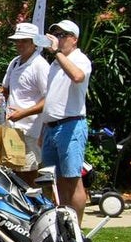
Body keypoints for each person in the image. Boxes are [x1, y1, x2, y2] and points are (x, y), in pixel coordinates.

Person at [39, 19, 93, 224]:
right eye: (56, 35)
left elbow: (78, 76)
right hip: (52, 127)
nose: (59, 39)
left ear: (74, 39)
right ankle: (63, 224)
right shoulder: (55, 64)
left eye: (63, 35)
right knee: (54, 182)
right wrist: (44, 129)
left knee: (73, 181)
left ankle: (76, 229)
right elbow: (52, 98)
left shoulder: (80, 59)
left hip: (71, 125)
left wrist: (57, 53)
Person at [0, 22, 49, 185]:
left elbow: (49, 99)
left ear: (34, 42)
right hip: (11, 129)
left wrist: (24, 113)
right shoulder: (14, 62)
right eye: (17, 41)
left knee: (29, 175)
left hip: (30, 131)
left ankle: (34, 208)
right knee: (11, 175)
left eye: (24, 40)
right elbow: (4, 88)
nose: (19, 44)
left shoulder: (40, 66)